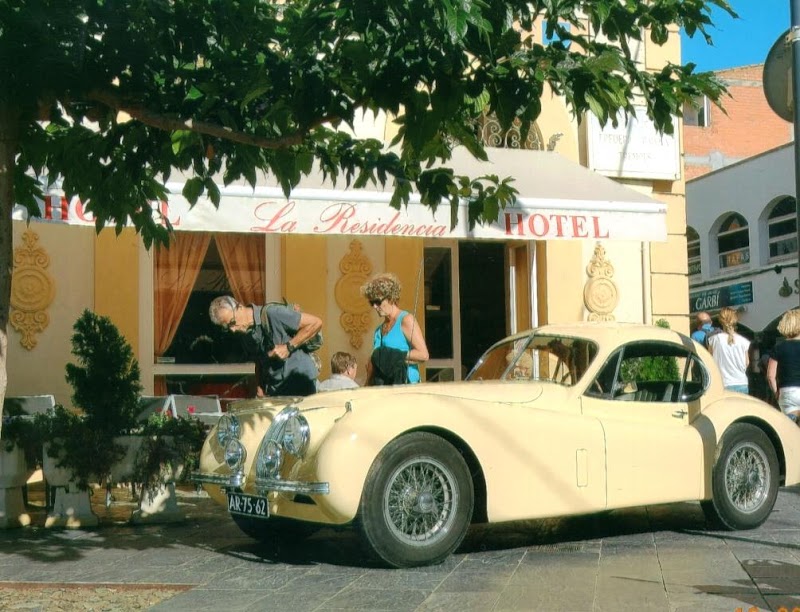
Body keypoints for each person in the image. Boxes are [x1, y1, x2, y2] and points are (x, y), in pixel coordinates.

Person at [209, 296, 322, 397]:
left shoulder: (273, 313)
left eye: (232, 322)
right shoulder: (245, 335)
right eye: (227, 327)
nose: (232, 330)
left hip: (301, 382)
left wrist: (288, 347)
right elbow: (259, 361)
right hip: (276, 390)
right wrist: (260, 386)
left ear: (240, 307)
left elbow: (315, 322)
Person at [361, 273, 429, 385]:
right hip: (386, 388)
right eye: (371, 303)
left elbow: (423, 355)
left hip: (407, 386)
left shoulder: (406, 320)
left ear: (391, 298)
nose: (374, 306)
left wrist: (392, 356)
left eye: (377, 302)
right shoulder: (378, 331)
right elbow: (373, 365)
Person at [706, 306, 750, 394]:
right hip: (741, 383)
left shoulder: (714, 340)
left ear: (721, 320)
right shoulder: (743, 341)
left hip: (722, 383)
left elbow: (709, 361)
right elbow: (747, 362)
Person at [767, 309, 800, 423]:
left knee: (790, 428)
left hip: (787, 392)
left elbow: (771, 376)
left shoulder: (779, 347)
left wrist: (776, 392)